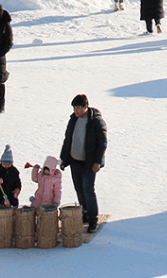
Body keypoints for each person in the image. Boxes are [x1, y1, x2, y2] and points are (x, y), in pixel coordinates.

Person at [59, 94, 107, 233]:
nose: (76, 111)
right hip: (75, 161)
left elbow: (102, 143)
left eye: (79, 108)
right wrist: (64, 159)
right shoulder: (73, 119)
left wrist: (97, 162)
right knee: (79, 190)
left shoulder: (96, 121)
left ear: (86, 107)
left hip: (89, 164)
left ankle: (93, 220)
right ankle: (84, 214)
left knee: (88, 191)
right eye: (75, 108)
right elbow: (67, 139)